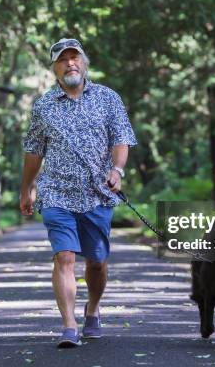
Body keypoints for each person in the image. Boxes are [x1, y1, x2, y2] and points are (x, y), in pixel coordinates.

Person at [20, 38, 137, 348]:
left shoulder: (108, 98)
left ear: (84, 63)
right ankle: (69, 325)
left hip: (97, 195)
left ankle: (93, 310)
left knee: (97, 261)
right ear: (55, 68)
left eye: (75, 58)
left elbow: (121, 139)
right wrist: (26, 188)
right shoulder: (44, 105)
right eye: (63, 59)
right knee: (64, 257)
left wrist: (117, 170)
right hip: (56, 192)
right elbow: (33, 152)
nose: (70, 63)